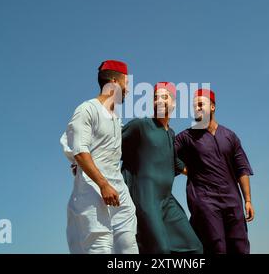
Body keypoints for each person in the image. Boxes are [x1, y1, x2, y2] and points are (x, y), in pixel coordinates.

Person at [60, 60, 138, 254]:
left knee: (128, 246)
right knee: (100, 248)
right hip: (92, 194)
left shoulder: (116, 119)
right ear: (114, 82)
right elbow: (79, 150)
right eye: (126, 83)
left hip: (119, 194)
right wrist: (102, 184)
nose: (128, 89)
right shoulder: (87, 110)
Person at [121, 82, 203, 254]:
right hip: (145, 199)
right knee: (160, 250)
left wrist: (202, 173)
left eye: (164, 97)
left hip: (167, 200)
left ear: (173, 103)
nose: (159, 100)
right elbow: (111, 144)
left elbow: (175, 163)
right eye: (156, 97)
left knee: (194, 248)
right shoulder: (140, 126)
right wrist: (82, 161)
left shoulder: (170, 133)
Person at [175, 88, 255, 254]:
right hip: (205, 201)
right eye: (194, 105)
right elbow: (166, 155)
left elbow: (242, 168)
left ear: (212, 107)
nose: (197, 108)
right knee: (216, 246)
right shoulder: (186, 137)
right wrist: (186, 170)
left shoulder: (230, 136)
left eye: (200, 104)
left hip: (232, 200)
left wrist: (247, 200)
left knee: (240, 247)